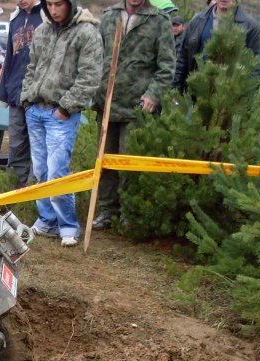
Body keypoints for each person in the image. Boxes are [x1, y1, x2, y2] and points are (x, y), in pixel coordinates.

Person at [19, 0, 103, 247]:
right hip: (35, 110)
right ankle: (47, 220)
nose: (54, 10)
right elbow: (31, 68)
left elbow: (90, 77)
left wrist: (65, 109)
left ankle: (68, 226)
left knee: (57, 171)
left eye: (59, 4)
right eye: (50, 4)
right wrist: (27, 100)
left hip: (61, 114)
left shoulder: (87, 33)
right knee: (40, 170)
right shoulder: (42, 30)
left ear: (70, 4)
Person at [91, 0, 175, 230]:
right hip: (106, 103)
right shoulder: (109, 16)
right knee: (104, 161)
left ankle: (129, 213)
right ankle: (108, 211)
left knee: (129, 162)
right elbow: (95, 56)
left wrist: (153, 94)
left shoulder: (159, 21)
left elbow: (167, 66)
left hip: (137, 107)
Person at [0, 0, 45, 188]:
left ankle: (34, 195)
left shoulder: (47, 15)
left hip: (39, 96)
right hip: (16, 94)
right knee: (16, 147)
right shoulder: (15, 19)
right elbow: (9, 57)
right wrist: (3, 91)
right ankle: (15, 194)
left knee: (38, 148)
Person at [173, 0, 260, 92]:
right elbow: (182, 60)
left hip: (231, 96)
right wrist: (176, 91)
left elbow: (255, 68)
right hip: (196, 94)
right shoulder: (197, 22)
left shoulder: (250, 26)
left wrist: (246, 97)